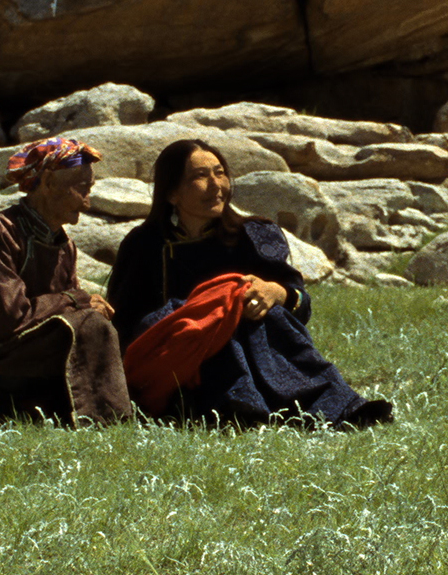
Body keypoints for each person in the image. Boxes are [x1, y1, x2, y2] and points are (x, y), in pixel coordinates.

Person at [107, 139, 392, 428]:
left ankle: (336, 405)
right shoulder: (144, 245)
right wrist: (200, 314)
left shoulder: (253, 236)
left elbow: (301, 307)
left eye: (220, 173)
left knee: (257, 312)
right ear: (171, 193)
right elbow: (125, 324)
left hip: (262, 354)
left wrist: (276, 292)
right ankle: (239, 408)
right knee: (223, 311)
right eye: (200, 177)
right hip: (182, 363)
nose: (216, 185)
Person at [0, 137, 132, 425]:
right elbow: (7, 321)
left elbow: (60, 314)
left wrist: (80, 306)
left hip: (23, 351)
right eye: (81, 189)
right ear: (48, 182)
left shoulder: (64, 245)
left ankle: (89, 419)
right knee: (90, 323)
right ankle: (103, 423)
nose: (87, 202)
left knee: (95, 323)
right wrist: (76, 300)